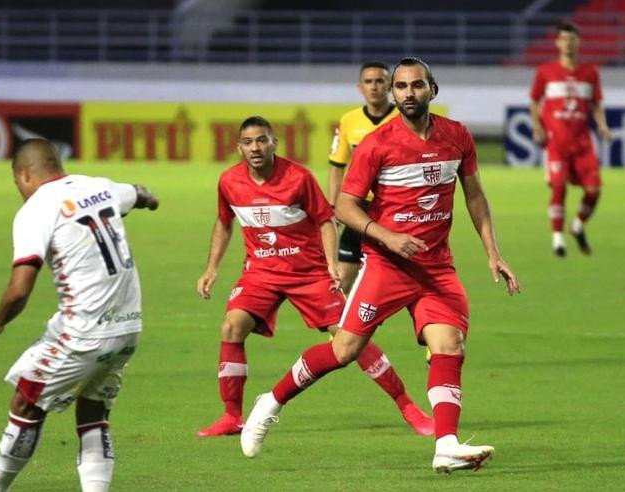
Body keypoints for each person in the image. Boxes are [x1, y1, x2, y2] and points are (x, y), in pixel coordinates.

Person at [240, 58, 521, 474]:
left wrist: (493, 252)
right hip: (386, 267)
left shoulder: (457, 136)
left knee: (448, 346)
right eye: (402, 87)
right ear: (395, 94)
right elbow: (344, 205)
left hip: (436, 269)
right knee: (344, 350)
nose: (409, 93)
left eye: (417, 85)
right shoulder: (377, 144)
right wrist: (387, 236)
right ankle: (272, 400)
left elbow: (475, 195)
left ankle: (445, 445)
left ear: (432, 90)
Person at [196, 116, 433, 439]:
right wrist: (212, 268)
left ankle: (408, 407)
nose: (256, 148)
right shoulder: (229, 182)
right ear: (238, 147)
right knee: (232, 326)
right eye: (249, 142)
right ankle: (232, 416)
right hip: (262, 272)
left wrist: (332, 263)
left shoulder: (298, 177)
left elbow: (325, 220)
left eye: (262, 140)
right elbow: (224, 223)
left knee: (350, 337)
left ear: (274, 143)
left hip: (308, 273)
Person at [0, 138, 159, 492]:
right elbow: (140, 193)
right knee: (92, 409)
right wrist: (149, 200)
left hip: (83, 334)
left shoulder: (36, 209)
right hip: (129, 328)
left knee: (26, 401)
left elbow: (20, 288)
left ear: (23, 175)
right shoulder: (99, 186)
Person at [530, 20, 613, 257]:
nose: (568, 43)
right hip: (557, 143)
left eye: (572, 39)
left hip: (583, 143)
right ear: (557, 42)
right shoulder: (546, 72)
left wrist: (602, 126)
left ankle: (577, 226)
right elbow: (535, 101)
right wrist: (537, 127)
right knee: (558, 187)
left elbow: (596, 104)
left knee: (594, 190)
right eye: (564, 39)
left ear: (579, 42)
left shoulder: (590, 73)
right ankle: (558, 239)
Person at [328, 60, 399, 291]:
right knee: (343, 279)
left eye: (380, 81)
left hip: (393, 206)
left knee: (395, 281)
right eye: (368, 82)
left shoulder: (404, 119)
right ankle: (340, 327)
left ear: (389, 86)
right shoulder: (349, 121)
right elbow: (337, 165)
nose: (374, 87)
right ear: (360, 87)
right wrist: (333, 206)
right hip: (357, 207)